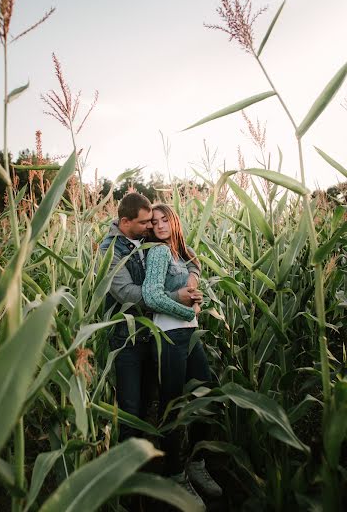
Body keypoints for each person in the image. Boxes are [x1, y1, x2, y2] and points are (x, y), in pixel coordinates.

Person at [99, 192, 202, 442]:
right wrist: (177, 297)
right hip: (129, 338)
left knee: (152, 403)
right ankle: (129, 470)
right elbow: (126, 293)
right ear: (126, 222)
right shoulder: (110, 250)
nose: (151, 226)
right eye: (146, 222)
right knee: (131, 408)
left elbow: (185, 252)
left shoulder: (147, 234)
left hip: (156, 332)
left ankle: (151, 458)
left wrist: (192, 277)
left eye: (154, 222)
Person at [142, 203, 222, 505]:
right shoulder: (160, 253)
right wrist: (188, 308)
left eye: (165, 219)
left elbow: (194, 264)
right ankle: (176, 474)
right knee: (173, 404)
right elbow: (151, 295)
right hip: (168, 334)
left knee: (206, 395)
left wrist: (192, 282)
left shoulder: (180, 252)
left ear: (174, 221)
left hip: (189, 334)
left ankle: (197, 463)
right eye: (155, 222)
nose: (161, 226)